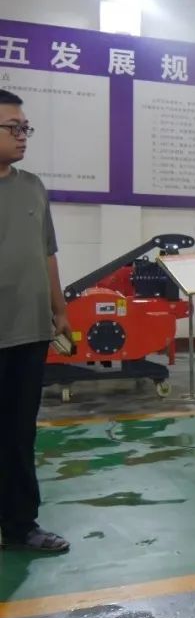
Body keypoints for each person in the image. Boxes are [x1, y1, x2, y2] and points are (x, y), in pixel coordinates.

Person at [0, 89, 71, 553]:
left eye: (25, 127)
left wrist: (59, 309)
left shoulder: (32, 187)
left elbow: (47, 253)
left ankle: (20, 525)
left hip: (27, 332)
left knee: (18, 434)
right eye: (13, 127)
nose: (23, 135)